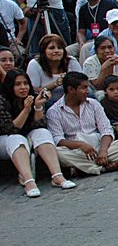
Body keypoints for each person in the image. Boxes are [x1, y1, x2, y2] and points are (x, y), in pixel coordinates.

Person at [1, 69, 76, 197]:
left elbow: (40, 124)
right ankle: (29, 182)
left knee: (42, 132)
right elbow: (11, 129)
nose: (23, 87)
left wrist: (38, 106)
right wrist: (26, 109)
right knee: (16, 139)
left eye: (25, 83)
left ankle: (57, 176)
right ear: (10, 86)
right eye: (18, 84)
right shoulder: (2, 100)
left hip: (27, 135)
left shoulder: (35, 96)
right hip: (6, 139)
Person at [46, 72, 118, 175]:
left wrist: (103, 151)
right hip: (77, 151)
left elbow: (106, 129)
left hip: (98, 146)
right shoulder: (54, 111)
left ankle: (83, 169)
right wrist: (80, 145)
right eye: (83, 88)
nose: (87, 91)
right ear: (71, 89)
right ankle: (104, 168)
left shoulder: (93, 104)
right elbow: (58, 139)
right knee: (58, 153)